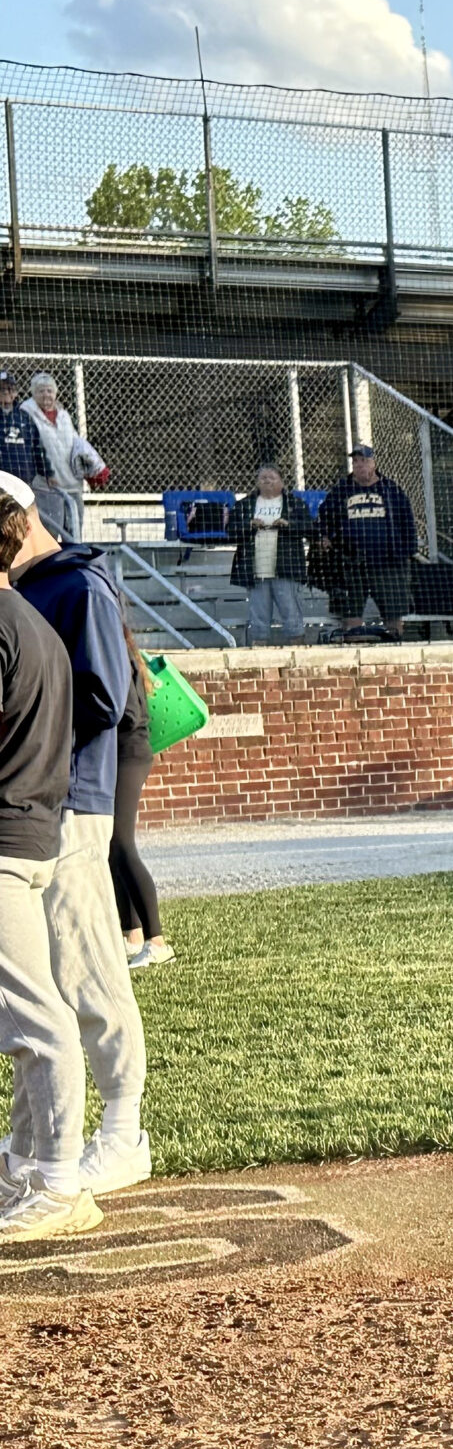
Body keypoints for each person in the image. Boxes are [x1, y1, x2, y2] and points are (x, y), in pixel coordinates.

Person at [8, 471, 151, 1200]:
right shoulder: (35, 588)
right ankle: (27, 1143)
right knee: (42, 981)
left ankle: (123, 1132)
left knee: (88, 967)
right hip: (41, 801)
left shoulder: (76, 587)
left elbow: (102, 696)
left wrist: (33, 748)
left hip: (72, 800)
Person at [0, 471, 93, 1235]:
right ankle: (31, 1169)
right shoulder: (27, 618)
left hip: (6, 839)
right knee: (21, 1016)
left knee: (34, 1017)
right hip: (26, 832)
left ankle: (59, 1181)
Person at [111, 627, 169, 968]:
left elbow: (127, 713)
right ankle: (131, 933)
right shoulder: (121, 650)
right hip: (123, 752)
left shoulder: (117, 654)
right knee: (111, 846)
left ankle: (156, 941)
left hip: (127, 753)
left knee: (121, 844)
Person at [317, 445, 416, 637]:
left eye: (364, 460)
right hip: (351, 561)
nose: (359, 465)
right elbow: (324, 515)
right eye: (355, 461)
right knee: (351, 613)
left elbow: (407, 519)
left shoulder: (390, 489)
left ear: (374, 463)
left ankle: (394, 643)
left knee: (393, 613)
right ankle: (354, 647)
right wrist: (325, 536)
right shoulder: (342, 489)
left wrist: (407, 551)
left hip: (387, 561)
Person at [228, 464, 316, 644]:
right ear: (257, 482)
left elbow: (310, 529)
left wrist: (288, 524)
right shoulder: (244, 505)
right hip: (256, 570)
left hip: (286, 569)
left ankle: (298, 654)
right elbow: (230, 531)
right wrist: (249, 525)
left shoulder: (295, 504)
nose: (267, 481)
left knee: (292, 617)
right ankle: (260, 656)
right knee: (258, 621)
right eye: (263, 478)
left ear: (282, 483)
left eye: (272, 477)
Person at [20, 375, 107, 543]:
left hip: (72, 483)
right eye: (41, 391)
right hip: (47, 487)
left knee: (74, 532)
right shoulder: (26, 414)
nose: (46, 395)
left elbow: (76, 443)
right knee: (49, 532)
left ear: (56, 393)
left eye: (50, 390)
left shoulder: (64, 416)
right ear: (33, 393)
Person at [0, 375, 45, 499]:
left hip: (24, 481)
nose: (6, 392)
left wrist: (45, 473)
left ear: (15, 392)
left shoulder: (25, 417)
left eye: (9, 388)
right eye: (2, 389)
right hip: (2, 481)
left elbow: (37, 447)